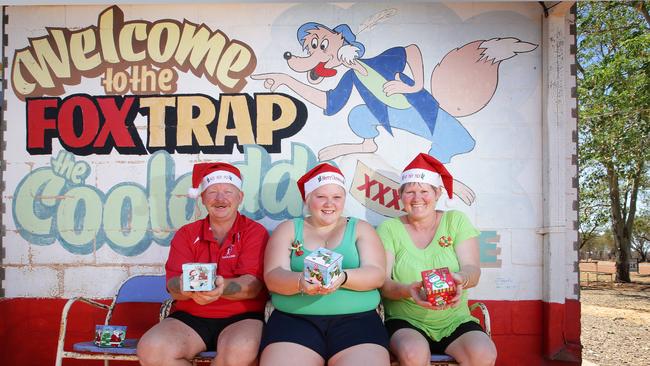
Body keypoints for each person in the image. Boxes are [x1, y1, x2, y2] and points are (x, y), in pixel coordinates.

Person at [137, 162, 269, 366]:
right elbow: (172, 287)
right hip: (191, 315)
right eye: (212, 192)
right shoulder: (187, 234)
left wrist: (219, 288)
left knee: (240, 350)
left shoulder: (254, 231)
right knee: (151, 348)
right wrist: (186, 289)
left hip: (243, 316)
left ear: (239, 197)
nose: (220, 199)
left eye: (227, 191)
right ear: (202, 198)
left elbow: (253, 286)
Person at [260, 163, 390, 366]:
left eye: (337, 197)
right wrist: (301, 282)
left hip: (357, 321)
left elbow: (377, 274)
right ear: (307, 199)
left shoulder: (360, 228)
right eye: (321, 197)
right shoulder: (288, 229)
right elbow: (273, 276)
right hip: (295, 321)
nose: (329, 203)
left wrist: (343, 278)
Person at [377, 153, 497, 366]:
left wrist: (460, 278)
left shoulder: (455, 221)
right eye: (410, 192)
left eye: (424, 191)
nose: (417, 198)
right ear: (400, 195)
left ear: (438, 193)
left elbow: (473, 270)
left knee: (483, 353)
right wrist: (409, 291)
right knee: (413, 353)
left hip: (454, 319)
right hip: (406, 321)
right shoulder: (389, 229)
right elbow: (384, 284)